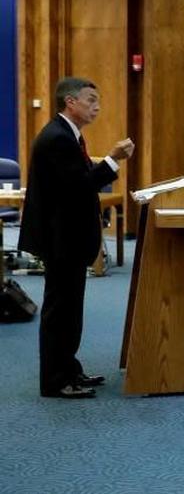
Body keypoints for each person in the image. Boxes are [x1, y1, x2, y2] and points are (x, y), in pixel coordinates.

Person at [19, 77, 135, 399]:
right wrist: (112, 159)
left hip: (67, 238)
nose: (97, 106)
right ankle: (56, 381)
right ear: (70, 102)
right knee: (60, 311)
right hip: (60, 240)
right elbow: (79, 187)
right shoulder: (57, 138)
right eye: (90, 100)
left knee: (70, 310)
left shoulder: (69, 134)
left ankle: (69, 369)